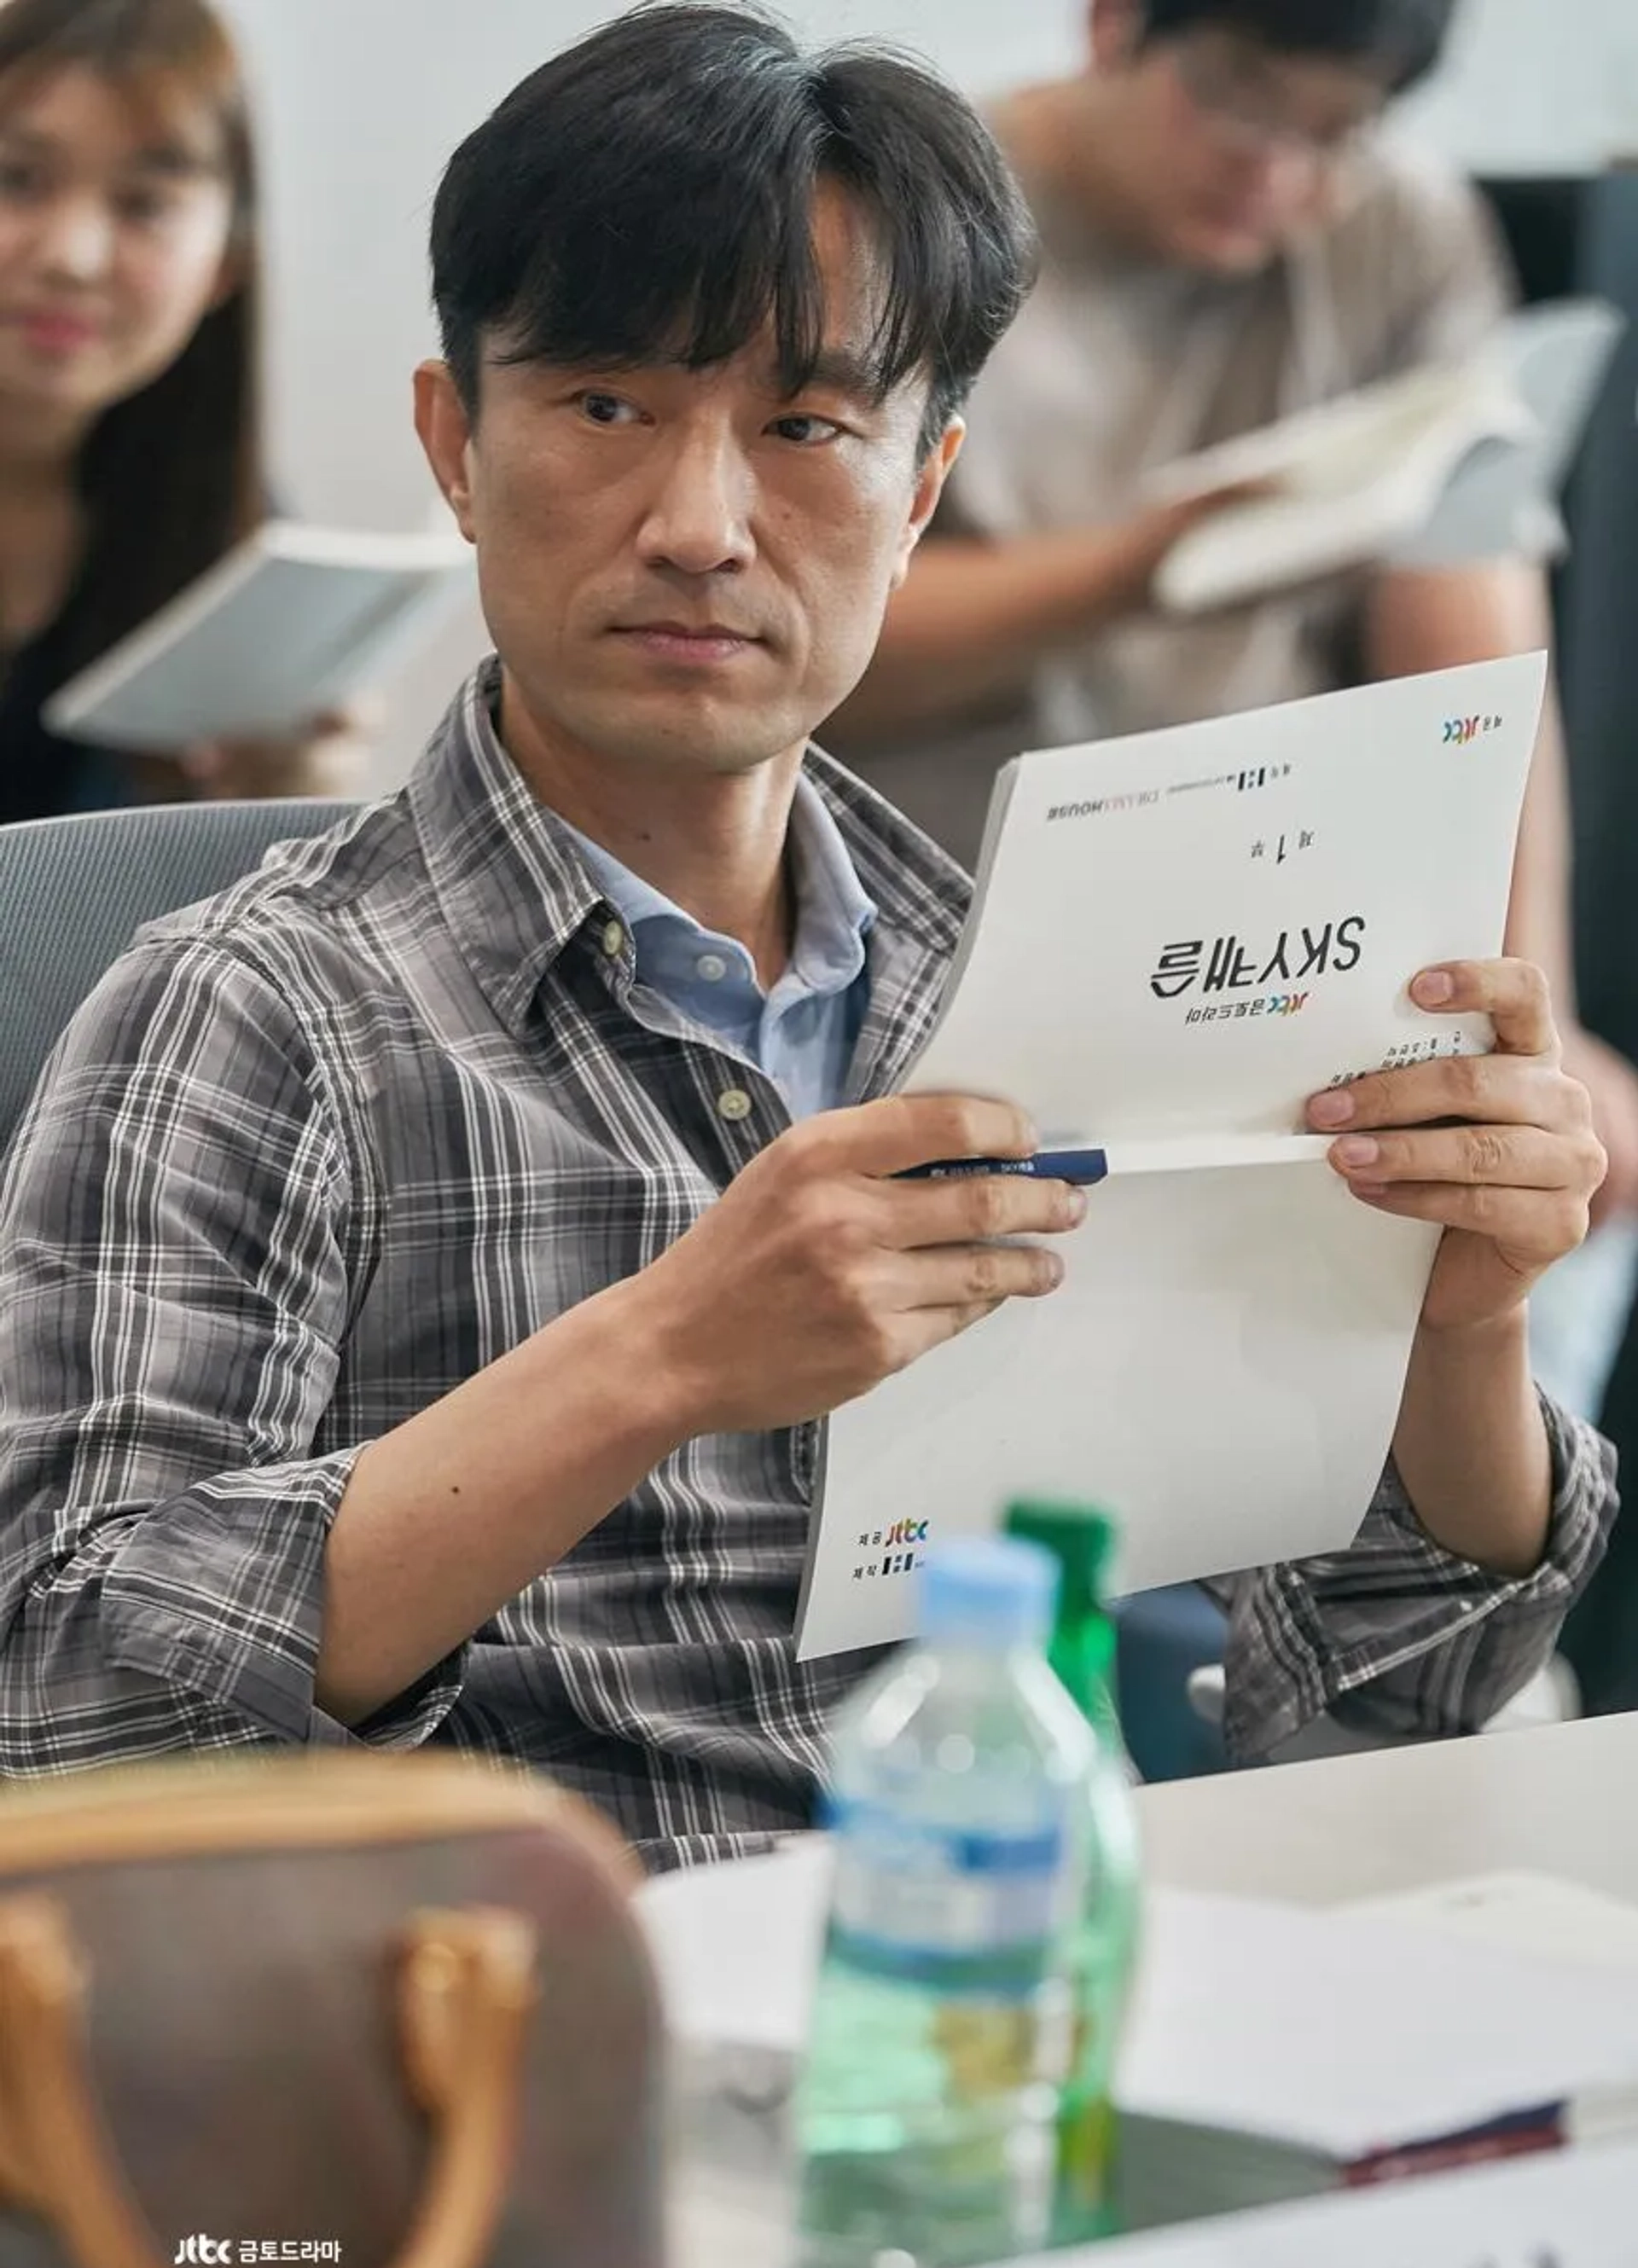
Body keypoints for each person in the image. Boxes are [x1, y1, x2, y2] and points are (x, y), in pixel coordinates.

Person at [0, 3, 1613, 1867]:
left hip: (996, 1993)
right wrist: (663, 1355)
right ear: (455, 442)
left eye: (808, 428)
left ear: (922, 486)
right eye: (607, 406)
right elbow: (56, 1714)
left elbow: (1379, 1715)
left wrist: (1459, 1334)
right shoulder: (251, 1009)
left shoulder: (1032, 1013)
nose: (698, 523)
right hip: (519, 2045)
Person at [830, 0, 1638, 1227]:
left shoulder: (1396, 229)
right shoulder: (911, 225)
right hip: (931, 927)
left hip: (1270, 935)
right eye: (1241, 99)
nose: (1284, 173)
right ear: (1112, 26)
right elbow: (819, 648)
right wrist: (1149, 569)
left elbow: (1468, 630)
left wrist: (1533, 1018)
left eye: (1341, 128)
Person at [0, 0, 365, 824]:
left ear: (224, 267)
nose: (73, 257)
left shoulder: (234, 553)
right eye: (17, 179)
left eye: (144, 206)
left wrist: (288, 809)